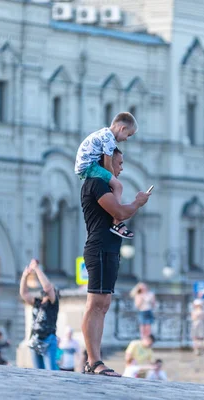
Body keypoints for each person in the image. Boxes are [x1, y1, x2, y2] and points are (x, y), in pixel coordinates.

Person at [80, 147, 150, 376]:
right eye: (118, 163)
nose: (121, 168)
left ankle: (95, 359)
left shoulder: (106, 185)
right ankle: (93, 361)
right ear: (106, 161)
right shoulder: (95, 183)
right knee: (95, 304)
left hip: (109, 249)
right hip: (99, 248)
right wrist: (138, 203)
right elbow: (119, 212)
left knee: (104, 304)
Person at [75, 112, 138, 239]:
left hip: (86, 166)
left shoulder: (103, 133)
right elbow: (107, 163)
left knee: (115, 184)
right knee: (118, 186)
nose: (126, 138)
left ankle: (116, 219)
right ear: (122, 128)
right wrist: (113, 180)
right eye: (128, 135)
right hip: (89, 166)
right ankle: (117, 222)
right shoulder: (109, 139)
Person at [19, 259, 59, 370]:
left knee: (51, 371)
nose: (46, 292)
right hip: (35, 339)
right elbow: (24, 293)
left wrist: (36, 268)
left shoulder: (53, 303)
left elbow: (47, 287)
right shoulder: (37, 303)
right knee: (38, 371)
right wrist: (25, 276)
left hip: (48, 339)